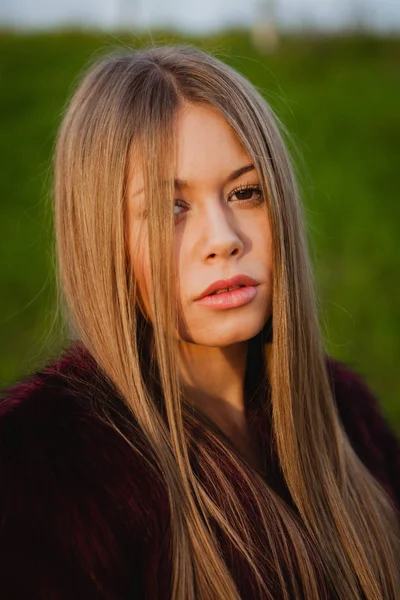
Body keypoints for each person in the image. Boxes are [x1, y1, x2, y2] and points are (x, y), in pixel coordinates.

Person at [0, 45, 399, 600]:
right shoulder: (38, 471)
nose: (224, 239)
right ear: (103, 239)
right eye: (171, 208)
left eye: (245, 192)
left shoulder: (348, 416)